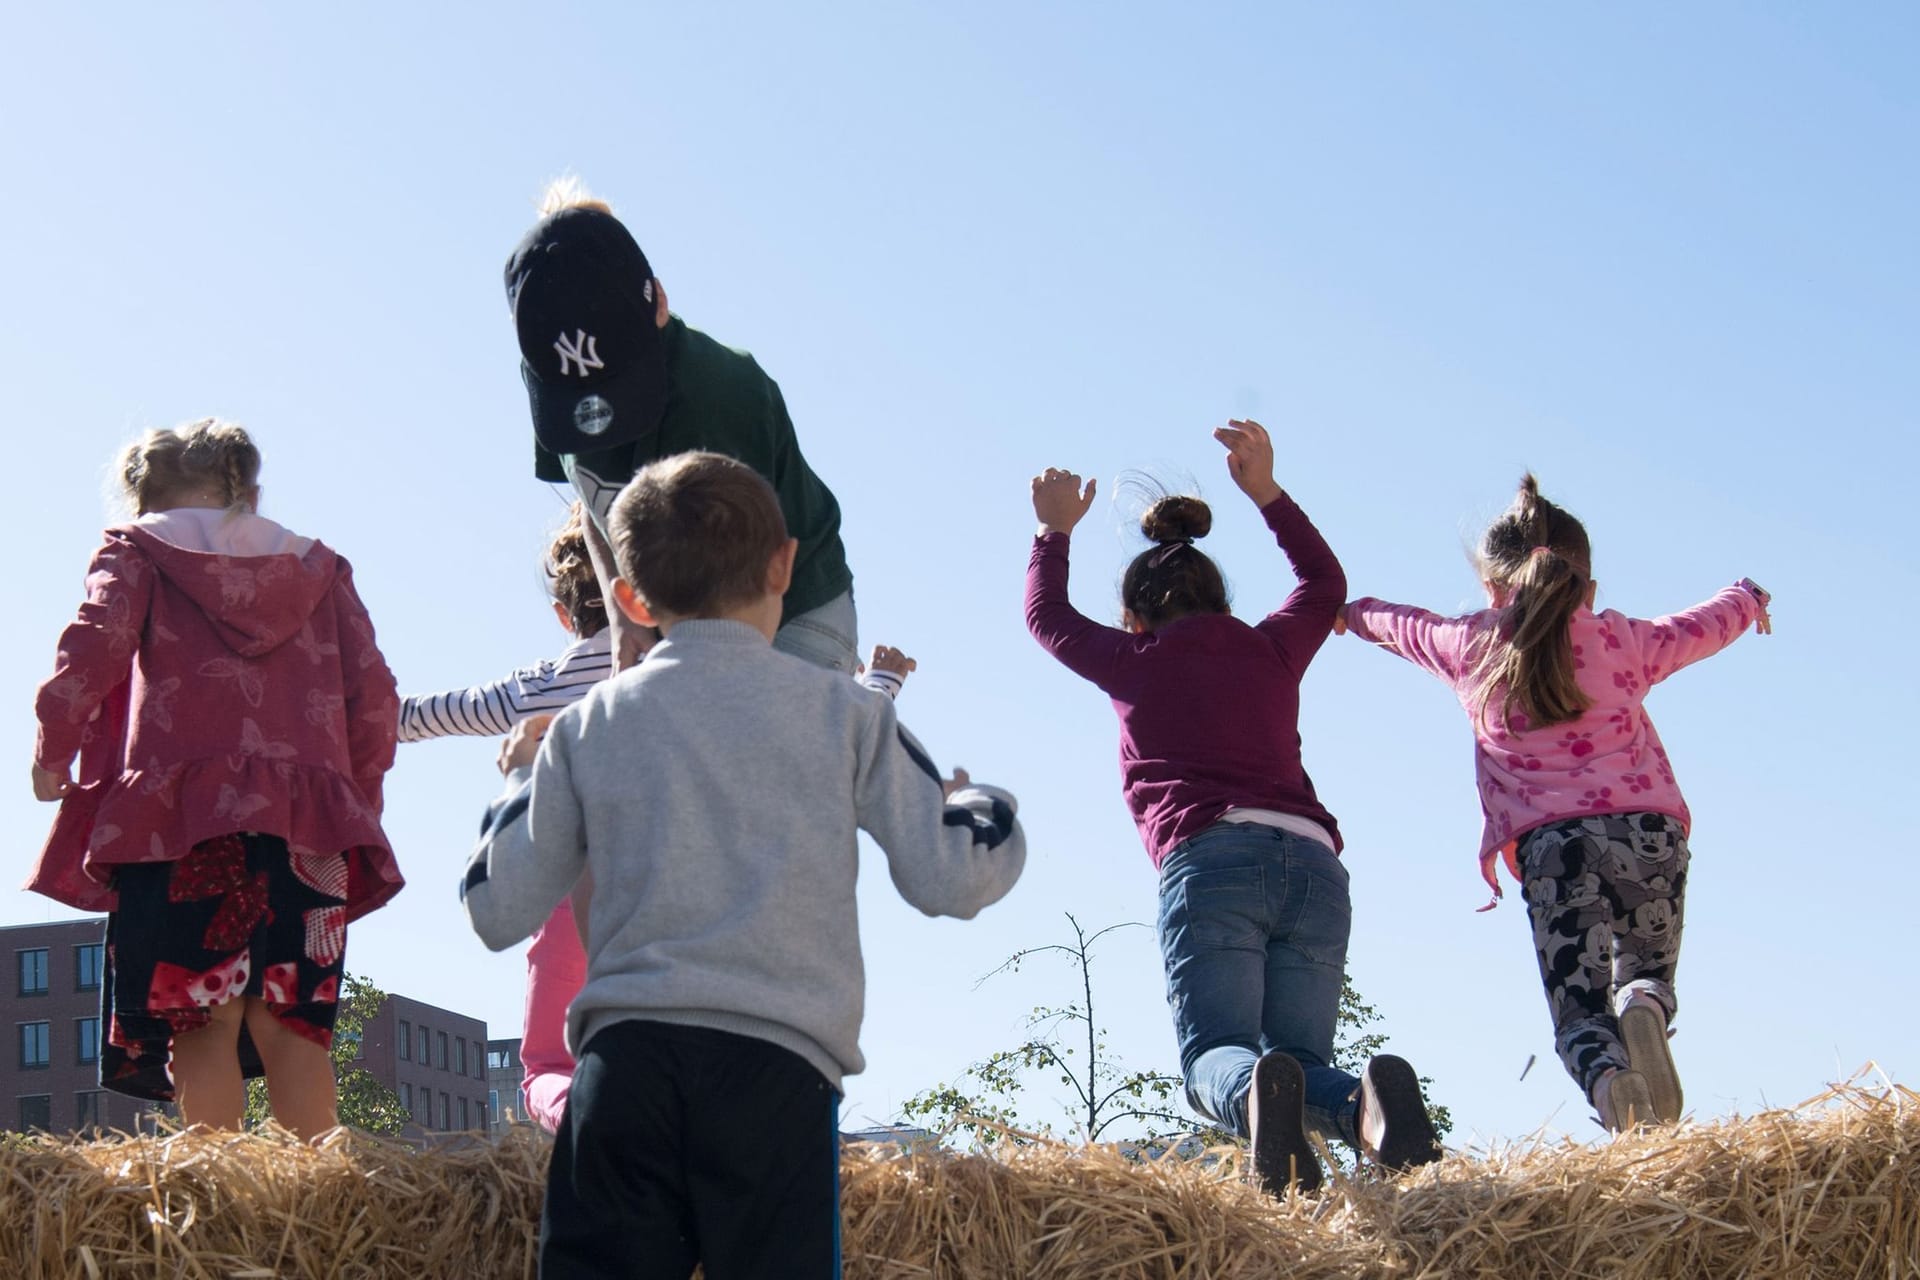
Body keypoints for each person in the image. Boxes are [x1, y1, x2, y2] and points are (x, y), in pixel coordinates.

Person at [461, 451, 1024, 1278]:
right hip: (776, 1073)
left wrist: (516, 779)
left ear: (629, 598)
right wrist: (981, 806)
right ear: (784, 563)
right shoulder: (849, 714)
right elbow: (952, 877)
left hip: (627, 1069)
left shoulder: (589, 727)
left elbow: (497, 908)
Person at [1023, 420, 1440, 1196]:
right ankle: (1364, 1106)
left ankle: (1256, 1102)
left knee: (1215, 1056)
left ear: (1136, 618)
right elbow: (1323, 586)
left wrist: (1053, 532)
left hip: (1212, 858)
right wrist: (1267, 493)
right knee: (1302, 1064)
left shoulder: (1133, 658)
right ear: (1223, 601)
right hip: (1315, 863)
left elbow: (1047, 620)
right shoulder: (1271, 647)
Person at [401, 507, 918, 1132]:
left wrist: (365, 712)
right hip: (689, 898)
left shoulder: (552, 685)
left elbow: (446, 711)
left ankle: (592, 1132)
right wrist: (881, 682)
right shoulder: (703, 673)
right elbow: (830, 726)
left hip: (573, 899)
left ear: (567, 616)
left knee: (545, 1065)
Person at [1338, 474, 1772, 1132]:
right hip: (1649, 834)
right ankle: (1646, 1010)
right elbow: (1702, 626)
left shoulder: (1470, 646)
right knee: (1646, 972)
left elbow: (1402, 626)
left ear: (1490, 589)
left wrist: (1349, 613)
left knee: (1581, 1015)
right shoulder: (1623, 638)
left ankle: (1609, 1084)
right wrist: (1748, 597)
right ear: (1587, 590)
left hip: (1556, 850)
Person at [28, 419, 401, 1141]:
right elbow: (376, 697)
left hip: (182, 820)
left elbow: (94, 644)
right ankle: (320, 1194)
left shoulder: (137, 548)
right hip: (310, 822)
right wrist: (355, 796)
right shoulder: (319, 567)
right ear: (246, 489)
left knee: (198, 1015)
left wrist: (54, 751)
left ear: (142, 492)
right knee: (295, 1018)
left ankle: (217, 1191)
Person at [504, 178, 856, 676]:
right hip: (678, 618)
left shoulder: (722, 394)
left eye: (616, 382)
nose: (599, 416)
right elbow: (596, 503)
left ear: (660, 303)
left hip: (790, 610)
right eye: (580, 396)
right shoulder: (553, 378)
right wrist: (619, 614)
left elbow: (740, 600)